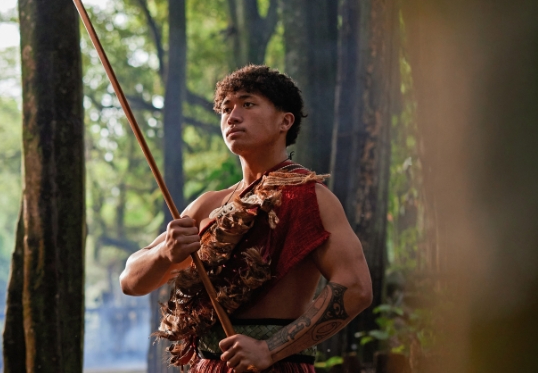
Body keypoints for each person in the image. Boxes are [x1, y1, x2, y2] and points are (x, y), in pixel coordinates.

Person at [120, 65, 372, 372]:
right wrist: (164, 253)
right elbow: (130, 281)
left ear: (285, 121)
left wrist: (270, 349)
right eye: (226, 108)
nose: (232, 116)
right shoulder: (207, 205)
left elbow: (356, 287)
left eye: (247, 104)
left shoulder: (308, 197)